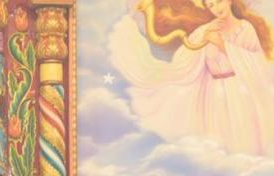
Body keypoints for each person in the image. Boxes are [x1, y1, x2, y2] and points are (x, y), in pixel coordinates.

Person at [109, 0, 274, 157]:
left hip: (238, 93)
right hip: (212, 94)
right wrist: (204, 39)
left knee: (241, 137)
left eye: (219, 1)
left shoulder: (245, 28)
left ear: (229, 1)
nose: (216, 8)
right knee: (217, 140)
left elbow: (257, 63)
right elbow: (187, 58)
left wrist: (221, 44)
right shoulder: (205, 30)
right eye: (211, 5)